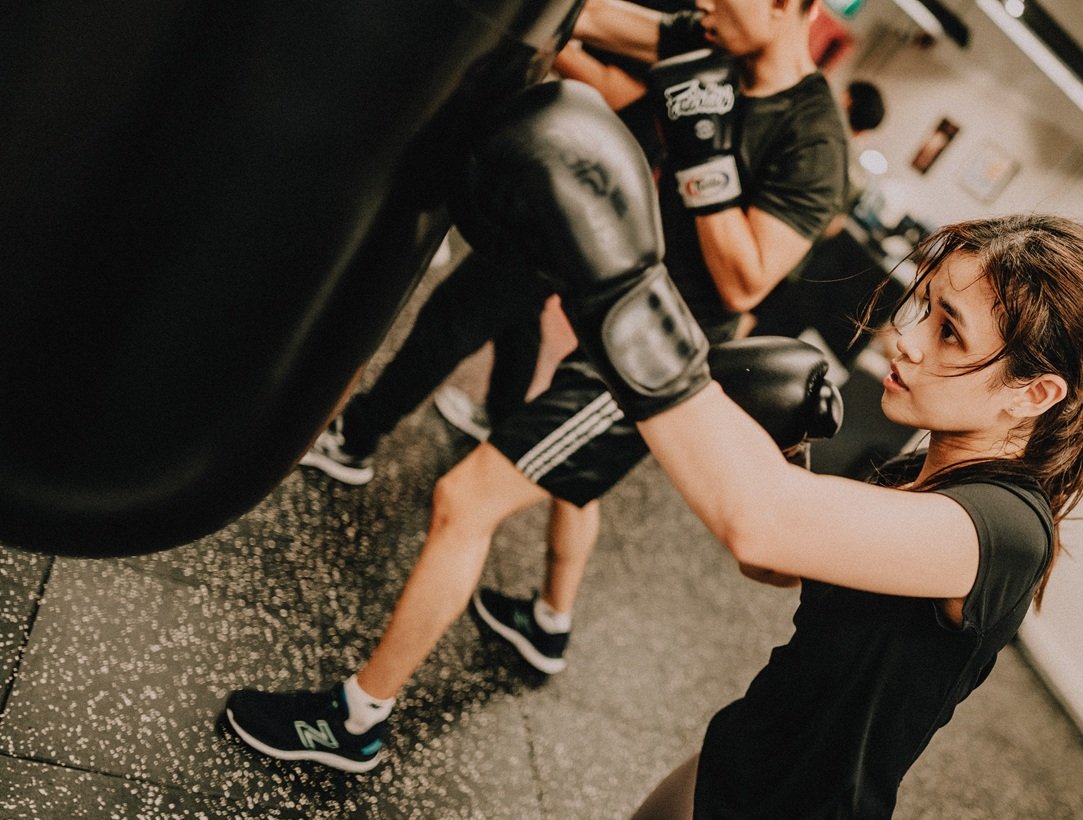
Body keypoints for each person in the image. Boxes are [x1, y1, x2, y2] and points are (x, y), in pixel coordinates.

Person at [448, 83, 1083, 820]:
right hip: (742, 765)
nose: (906, 337)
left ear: (1032, 394)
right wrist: (776, 441)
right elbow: (771, 555)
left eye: (949, 330)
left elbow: (758, 518)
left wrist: (624, 288)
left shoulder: (1000, 531)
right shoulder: (920, 470)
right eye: (922, 306)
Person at [223, 0, 850, 770]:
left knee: (465, 500)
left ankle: (356, 721)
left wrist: (703, 157)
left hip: (658, 352)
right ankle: (548, 621)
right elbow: (591, 15)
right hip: (616, 299)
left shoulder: (815, 140)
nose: (709, 4)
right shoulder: (705, 38)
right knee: (571, 481)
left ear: (796, 7)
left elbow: (746, 278)